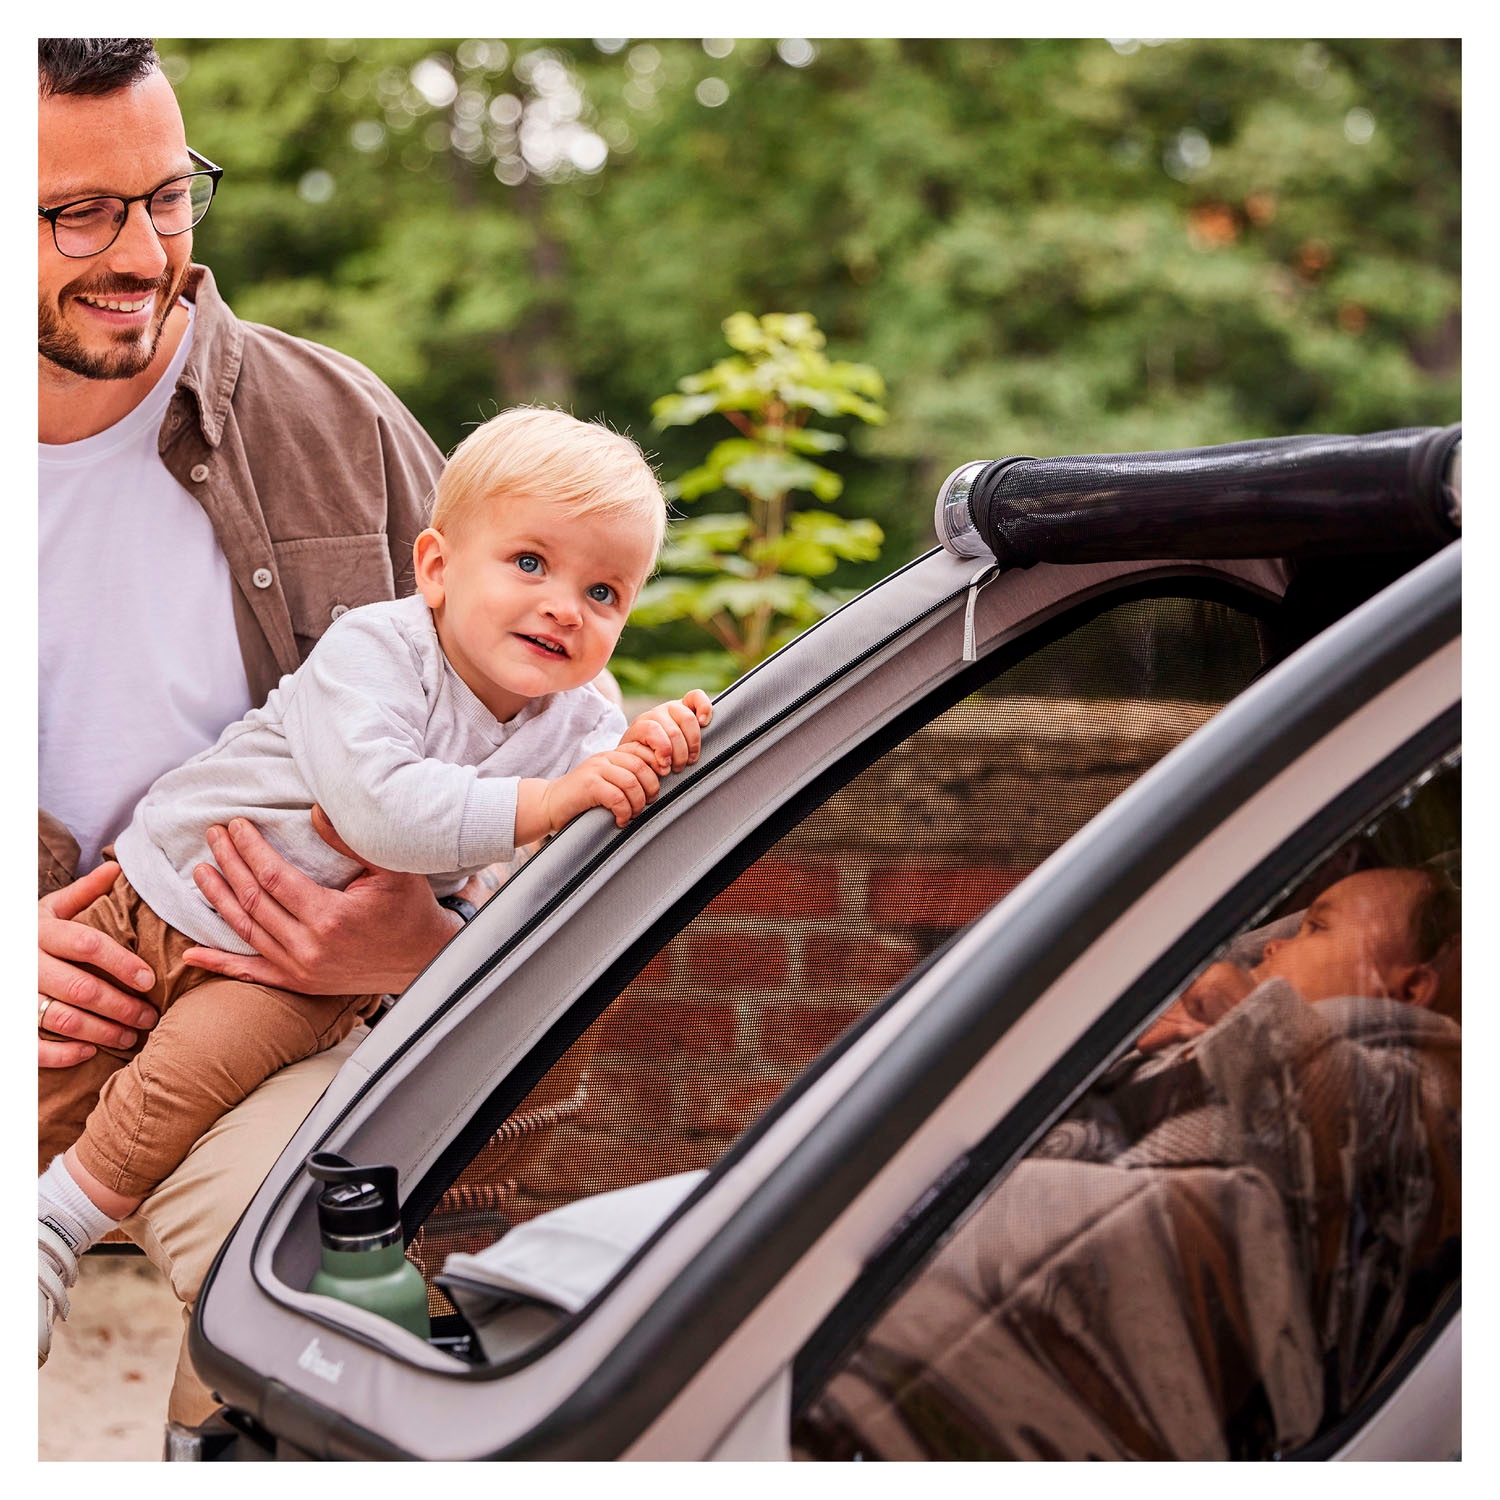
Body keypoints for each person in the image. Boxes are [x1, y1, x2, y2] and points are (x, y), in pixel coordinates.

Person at [38, 404, 712, 1365]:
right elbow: (379, 811)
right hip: (147, 901)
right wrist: (554, 799)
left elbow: (593, 838)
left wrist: (658, 743)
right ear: (436, 570)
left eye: (604, 591)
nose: (566, 604)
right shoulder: (377, 653)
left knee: (188, 1078)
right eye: (529, 564)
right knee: (43, 1092)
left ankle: (54, 1231)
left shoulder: (575, 724)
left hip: (281, 973)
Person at [40, 36, 450, 1423]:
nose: (144, 253)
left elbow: (534, 743)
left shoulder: (339, 424)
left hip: (258, 1024)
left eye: (168, 196)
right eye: (77, 213)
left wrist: (426, 929)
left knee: (326, 1332)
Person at [1134, 865, 1461, 1054]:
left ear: (1411, 989)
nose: (1271, 947)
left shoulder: (1418, 1082)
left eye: (1316, 928)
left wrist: (1251, 1013)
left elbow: (1353, 1095)